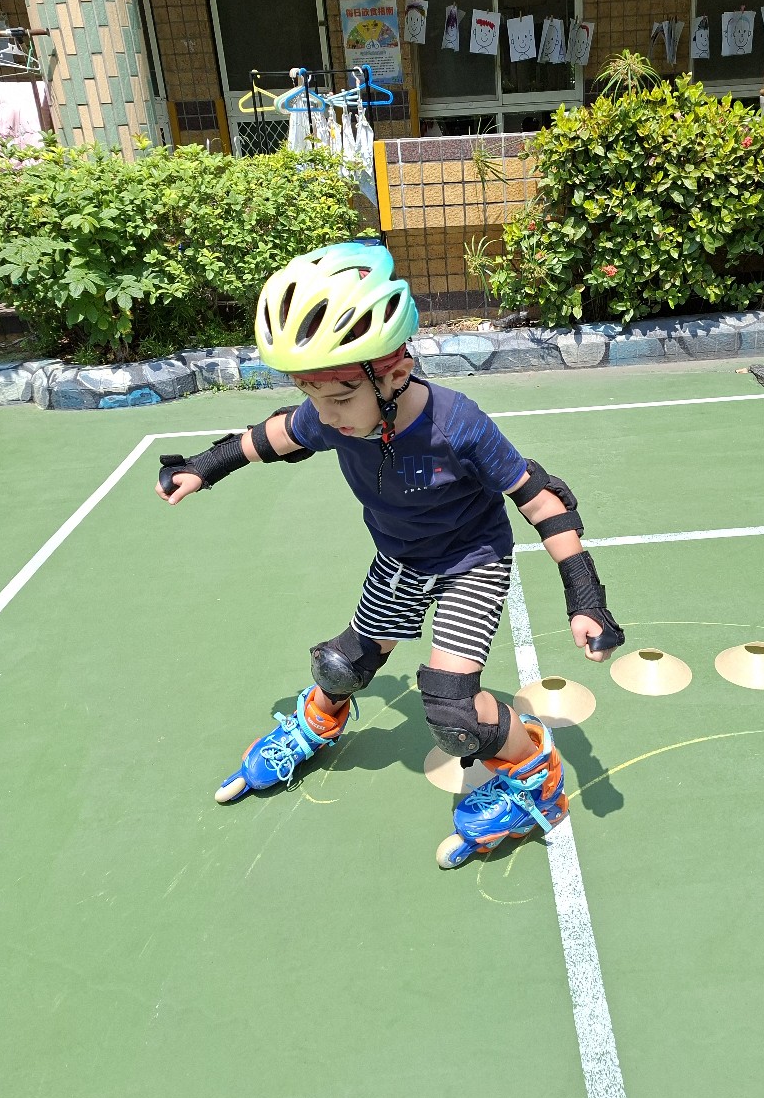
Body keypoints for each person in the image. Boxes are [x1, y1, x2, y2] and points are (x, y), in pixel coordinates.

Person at [155, 241, 624, 868]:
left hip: (470, 563)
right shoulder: (333, 414)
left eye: (339, 398)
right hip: (401, 558)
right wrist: (203, 466)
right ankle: (317, 723)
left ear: (396, 372)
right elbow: (270, 436)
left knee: (454, 712)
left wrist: (585, 596)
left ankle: (535, 774)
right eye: (312, 396)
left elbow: (542, 500)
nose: (326, 416)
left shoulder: (458, 425)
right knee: (342, 666)